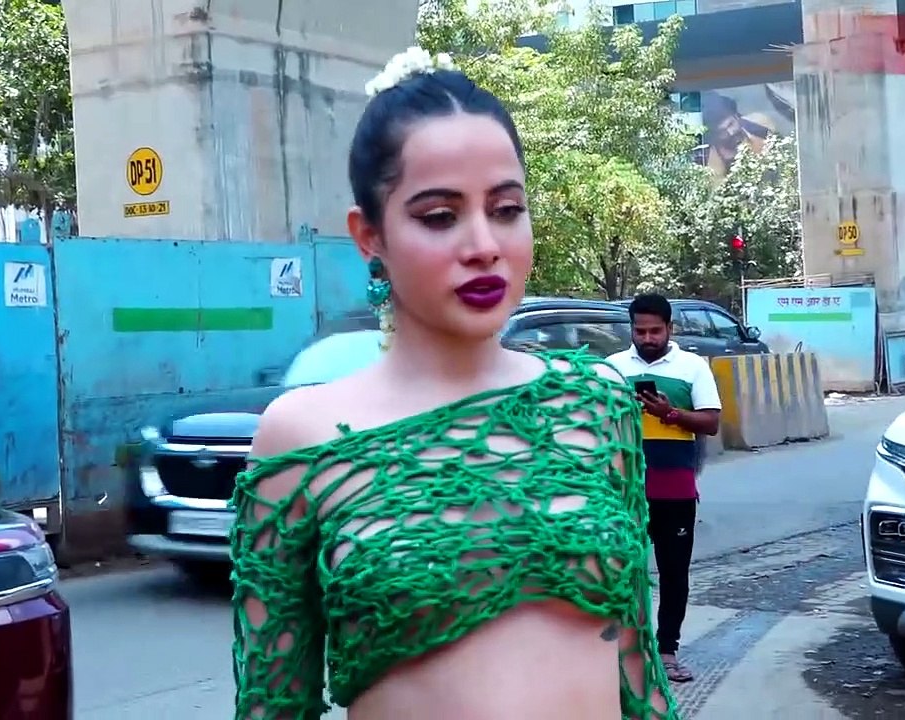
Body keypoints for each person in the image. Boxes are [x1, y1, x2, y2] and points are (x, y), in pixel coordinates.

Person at [229, 47, 679, 720]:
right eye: (439, 216)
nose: (483, 244)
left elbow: (637, 672)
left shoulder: (597, 405)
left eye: (506, 209)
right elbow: (273, 706)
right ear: (369, 236)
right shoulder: (301, 439)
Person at [605, 295, 722, 684]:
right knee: (622, 571)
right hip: (622, 493)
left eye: (655, 331)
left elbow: (710, 423)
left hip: (675, 491)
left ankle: (667, 651)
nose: (647, 338)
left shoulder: (693, 367)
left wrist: (669, 414)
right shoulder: (611, 369)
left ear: (670, 329)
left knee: (674, 574)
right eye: (640, 331)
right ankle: (624, 652)